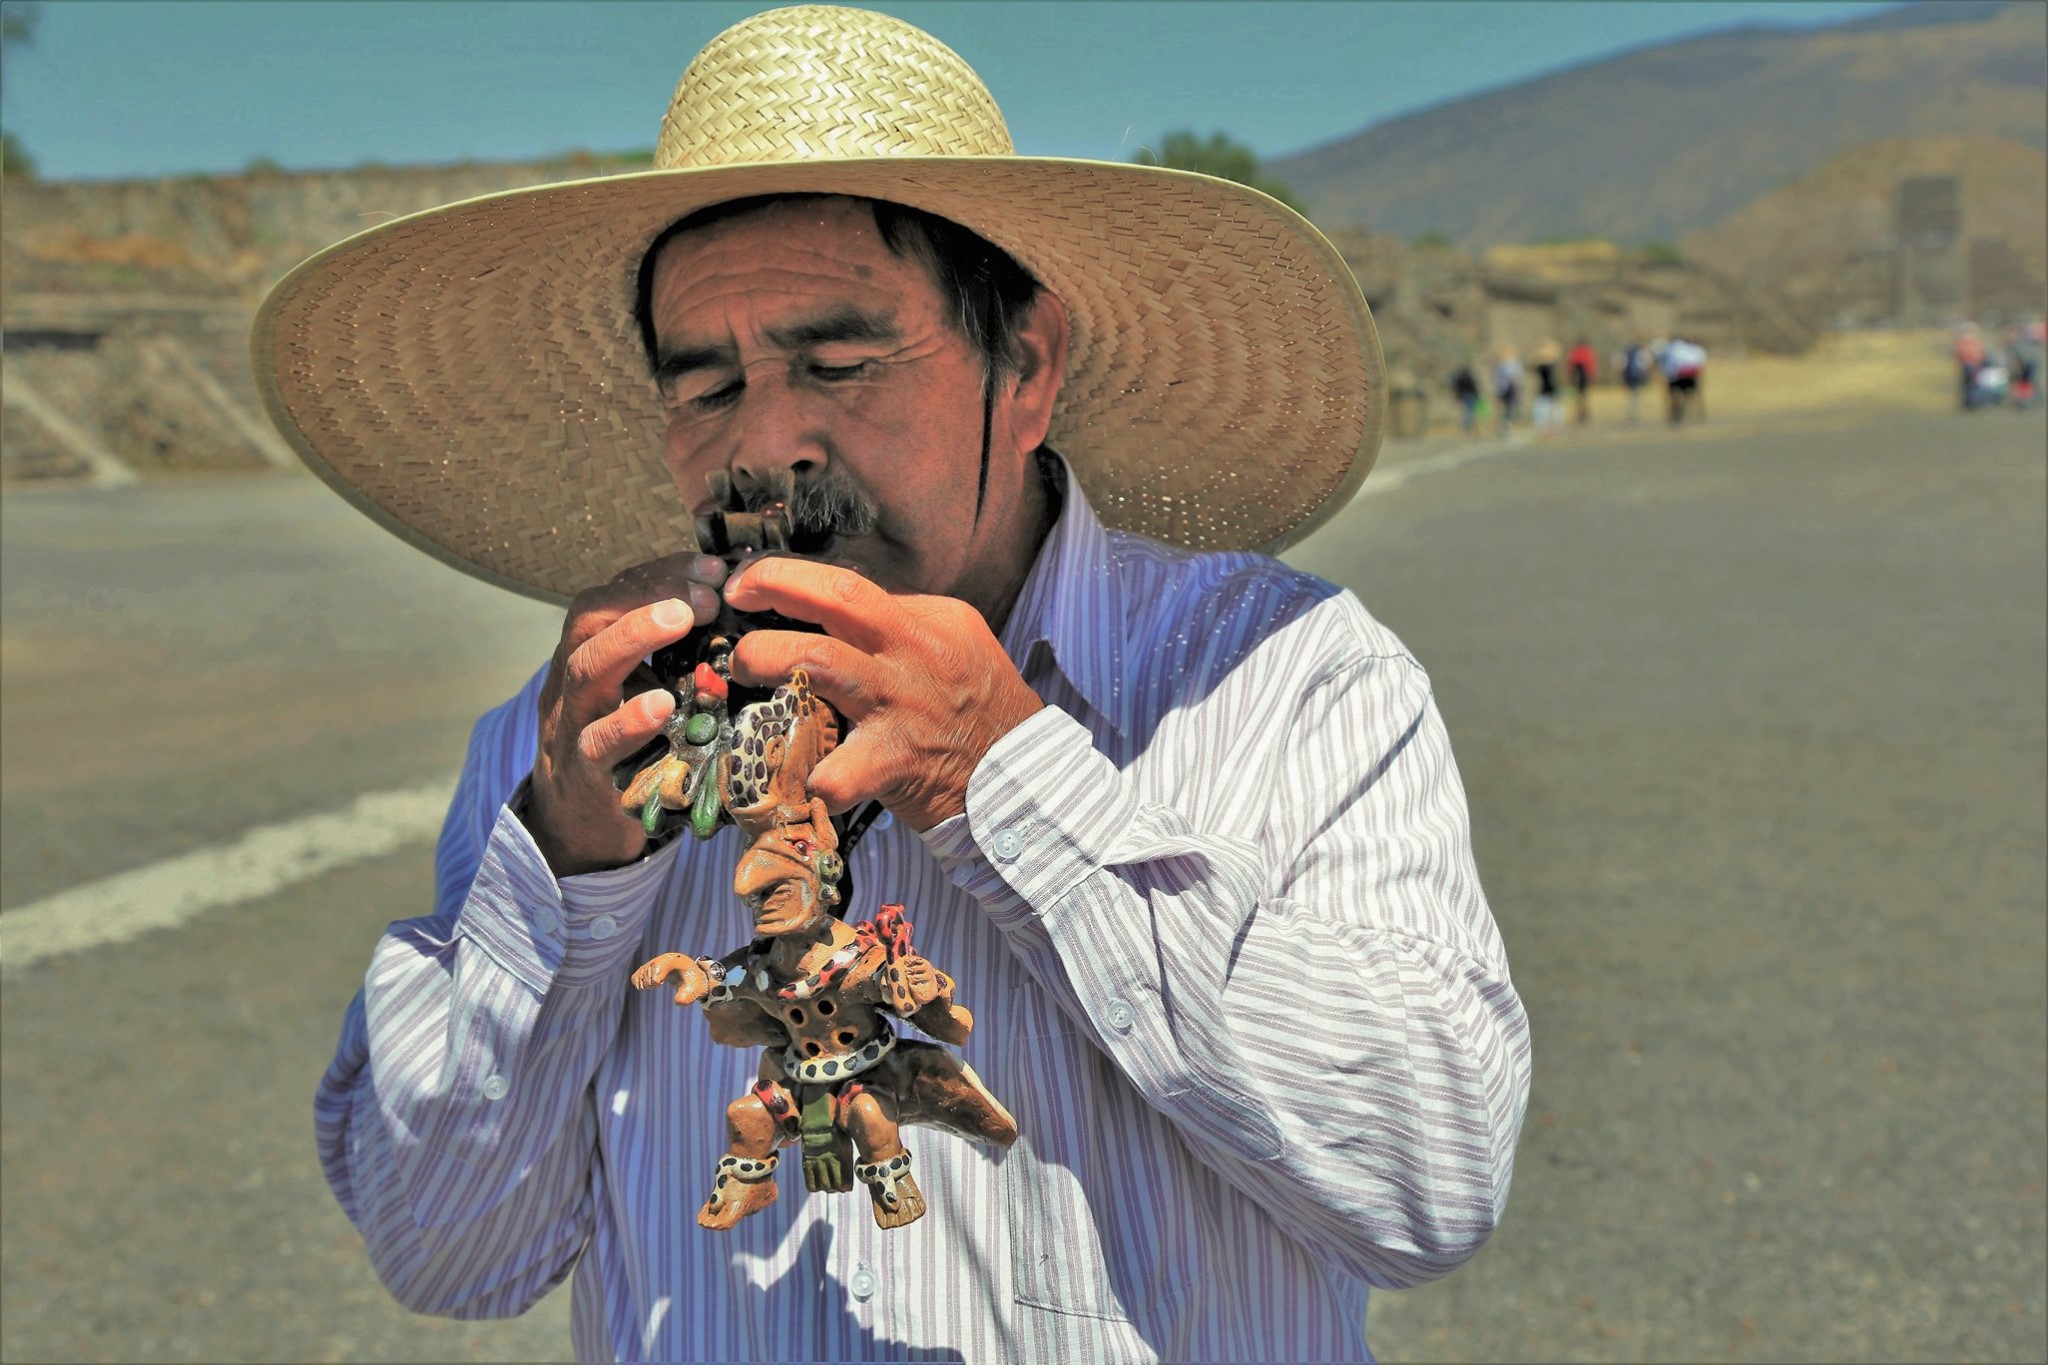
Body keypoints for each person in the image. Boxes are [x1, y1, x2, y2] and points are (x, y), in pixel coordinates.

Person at [259, 8, 1529, 1362]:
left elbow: (1428, 1184)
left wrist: (1007, 782)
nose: (765, 441)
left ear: (1025, 366)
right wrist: (564, 866)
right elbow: (447, 1250)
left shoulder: (1281, 679)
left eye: (839, 364)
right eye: (705, 386)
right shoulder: (577, 743)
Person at [1530, 339, 1562, 434]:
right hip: (1545, 389)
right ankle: (1542, 427)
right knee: (1542, 409)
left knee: (1554, 409)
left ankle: (1554, 427)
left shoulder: (1551, 365)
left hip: (1551, 389)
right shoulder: (1543, 365)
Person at [1492, 345, 1524, 437]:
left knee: (1510, 407)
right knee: (1503, 408)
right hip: (1503, 389)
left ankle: (1508, 425)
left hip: (1512, 389)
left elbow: (1518, 376)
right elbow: (1497, 378)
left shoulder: (1515, 363)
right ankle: (1503, 426)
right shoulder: (1500, 364)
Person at [1620, 339, 1651, 425]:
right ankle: (1635, 413)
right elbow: (1645, 365)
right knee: (1637, 395)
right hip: (1637, 377)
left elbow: (1621, 365)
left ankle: (1630, 413)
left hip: (1629, 378)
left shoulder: (1627, 354)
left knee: (1631, 395)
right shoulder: (1639, 354)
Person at [1567, 338, 1598, 425]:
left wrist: (1570, 377)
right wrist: (1591, 377)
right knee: (1584, 396)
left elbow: (1570, 365)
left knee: (1578, 396)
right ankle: (1584, 413)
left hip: (1577, 378)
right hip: (1585, 377)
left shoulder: (1574, 352)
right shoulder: (1588, 352)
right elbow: (1591, 365)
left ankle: (1580, 413)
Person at [1450, 359, 1481, 433]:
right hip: (1470, 396)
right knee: (1469, 412)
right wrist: (1477, 395)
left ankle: (1467, 427)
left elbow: (1457, 388)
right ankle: (1468, 427)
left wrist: (1458, 396)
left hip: (1464, 396)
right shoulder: (1469, 378)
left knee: (1467, 412)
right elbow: (1474, 387)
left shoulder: (1460, 378)